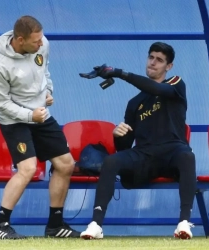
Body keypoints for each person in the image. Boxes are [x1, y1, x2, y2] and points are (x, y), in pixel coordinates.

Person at [80, 42, 196, 240]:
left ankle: (184, 223)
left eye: (159, 60)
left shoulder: (176, 83)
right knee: (111, 161)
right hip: (144, 156)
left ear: (169, 67)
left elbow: (156, 89)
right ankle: (95, 225)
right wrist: (119, 135)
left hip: (173, 152)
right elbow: (124, 147)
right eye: (151, 57)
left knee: (187, 156)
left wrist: (120, 73)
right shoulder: (134, 103)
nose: (153, 63)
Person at [0, 15, 80, 239]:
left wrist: (48, 91)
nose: (41, 44)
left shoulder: (42, 44)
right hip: (15, 120)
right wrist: (30, 115)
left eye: (41, 39)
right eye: (35, 41)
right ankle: (0, 226)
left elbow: (44, 72)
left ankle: (55, 226)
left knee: (66, 164)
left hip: (41, 114)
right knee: (27, 169)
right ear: (20, 40)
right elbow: (2, 104)